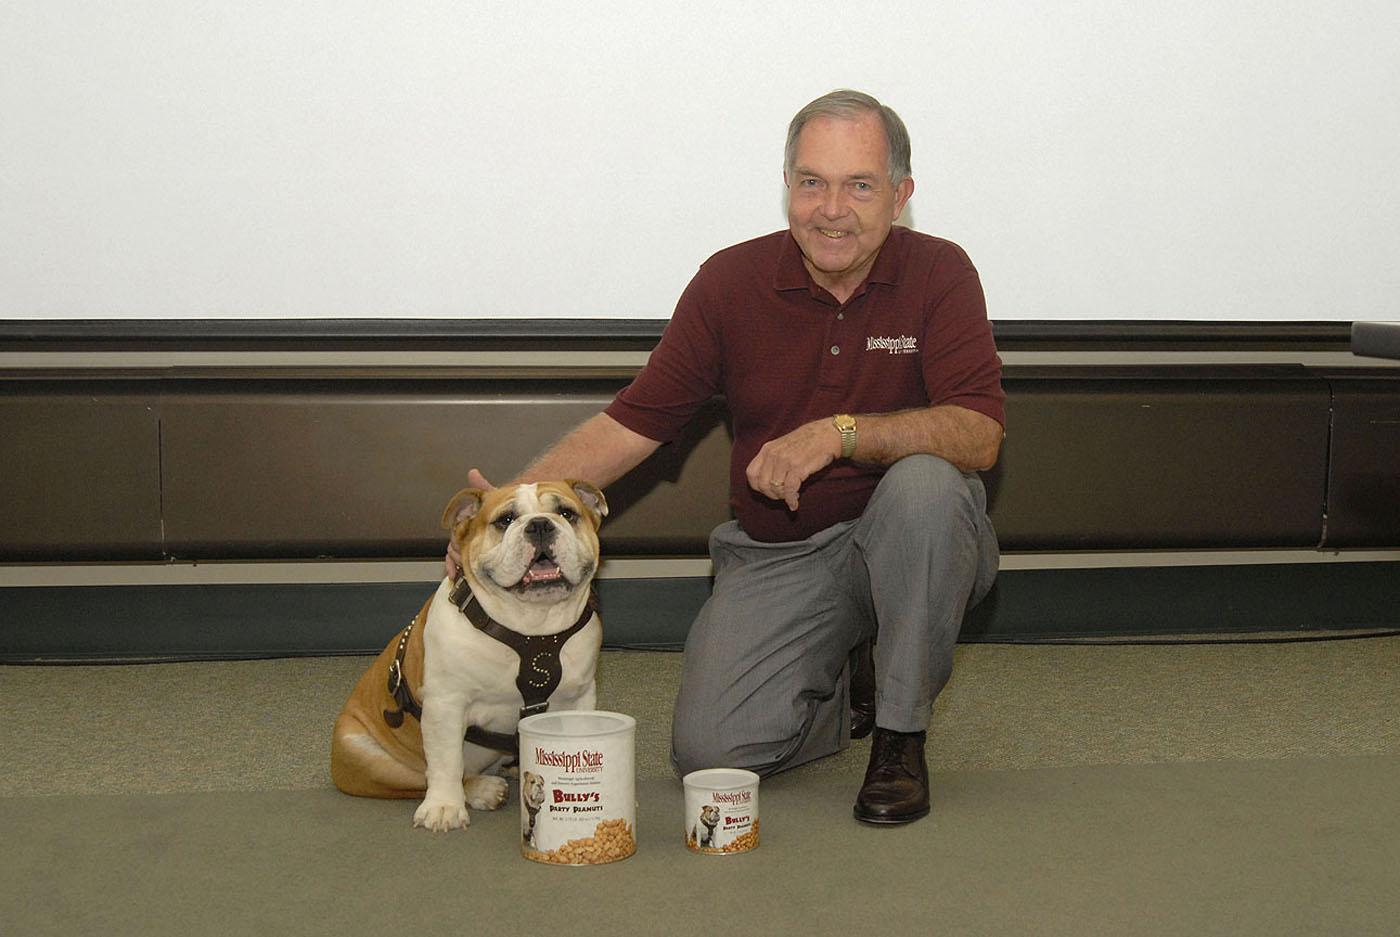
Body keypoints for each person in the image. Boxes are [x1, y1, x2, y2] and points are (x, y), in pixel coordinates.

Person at [449, 89, 1004, 825]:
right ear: (787, 186)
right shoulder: (729, 283)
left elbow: (979, 433)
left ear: (900, 195)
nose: (831, 208)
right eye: (811, 182)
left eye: (859, 185)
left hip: (913, 540)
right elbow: (632, 425)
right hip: (782, 553)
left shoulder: (942, 273)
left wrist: (841, 433)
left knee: (930, 487)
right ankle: (845, 673)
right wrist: (503, 510)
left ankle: (900, 736)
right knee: (713, 751)